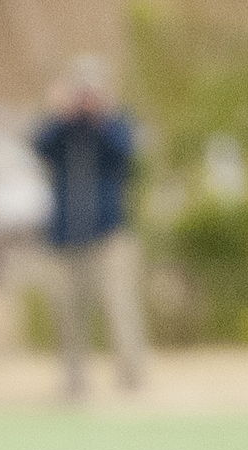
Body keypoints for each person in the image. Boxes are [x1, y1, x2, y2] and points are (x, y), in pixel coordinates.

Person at [32, 54, 147, 399]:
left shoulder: (116, 123)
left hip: (108, 233)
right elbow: (39, 145)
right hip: (66, 234)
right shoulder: (62, 128)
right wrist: (60, 113)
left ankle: (132, 377)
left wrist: (102, 116)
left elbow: (127, 152)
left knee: (120, 308)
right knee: (69, 313)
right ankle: (74, 381)